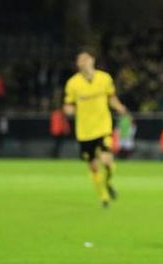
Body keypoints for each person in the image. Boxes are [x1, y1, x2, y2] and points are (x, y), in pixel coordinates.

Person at [63, 48, 127, 208]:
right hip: (84, 132)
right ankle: (104, 196)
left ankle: (109, 181)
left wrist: (120, 108)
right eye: (80, 59)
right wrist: (68, 110)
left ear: (93, 60)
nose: (83, 61)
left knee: (106, 161)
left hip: (103, 127)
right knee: (93, 166)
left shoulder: (104, 78)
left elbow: (111, 97)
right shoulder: (73, 83)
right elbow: (68, 105)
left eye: (86, 58)